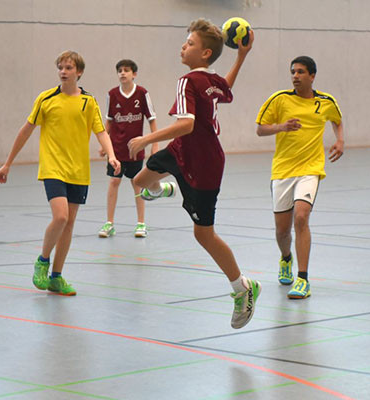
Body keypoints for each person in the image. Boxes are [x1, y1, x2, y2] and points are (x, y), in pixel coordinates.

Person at [127, 19, 261, 329]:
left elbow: (186, 124)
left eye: (189, 44)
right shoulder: (211, 80)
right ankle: (171, 188)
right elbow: (226, 88)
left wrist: (146, 139)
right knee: (140, 182)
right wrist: (241, 57)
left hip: (204, 164)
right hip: (180, 151)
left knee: (203, 234)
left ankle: (243, 287)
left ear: (205, 53)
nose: (183, 46)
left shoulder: (188, 81)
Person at [0, 50, 120, 296]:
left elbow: (101, 132)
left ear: (79, 72)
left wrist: (112, 155)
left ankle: (57, 277)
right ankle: (42, 261)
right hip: (53, 167)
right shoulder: (46, 98)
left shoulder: (88, 102)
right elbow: (26, 130)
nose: (63, 71)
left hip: (78, 170)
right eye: (61, 67)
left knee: (70, 224)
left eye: (69, 68)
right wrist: (8, 163)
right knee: (60, 217)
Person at [256, 56, 344, 299]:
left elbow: (337, 120)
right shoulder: (279, 99)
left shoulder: (326, 102)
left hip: (310, 169)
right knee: (282, 231)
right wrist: (281, 127)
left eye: (301, 72)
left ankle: (303, 279)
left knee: (302, 218)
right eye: (293, 71)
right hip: (283, 171)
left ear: (312, 76)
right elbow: (261, 129)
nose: (295, 76)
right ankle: (286, 258)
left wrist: (339, 140)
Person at [98, 59, 159, 239]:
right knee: (114, 182)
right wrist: (105, 145)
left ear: (134, 74)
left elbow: (152, 119)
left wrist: (154, 144)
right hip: (116, 150)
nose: (122, 73)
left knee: (137, 183)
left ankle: (141, 223)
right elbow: (109, 120)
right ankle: (109, 223)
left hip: (135, 149)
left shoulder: (142, 93)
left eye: (126, 70)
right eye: (120, 71)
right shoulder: (112, 94)